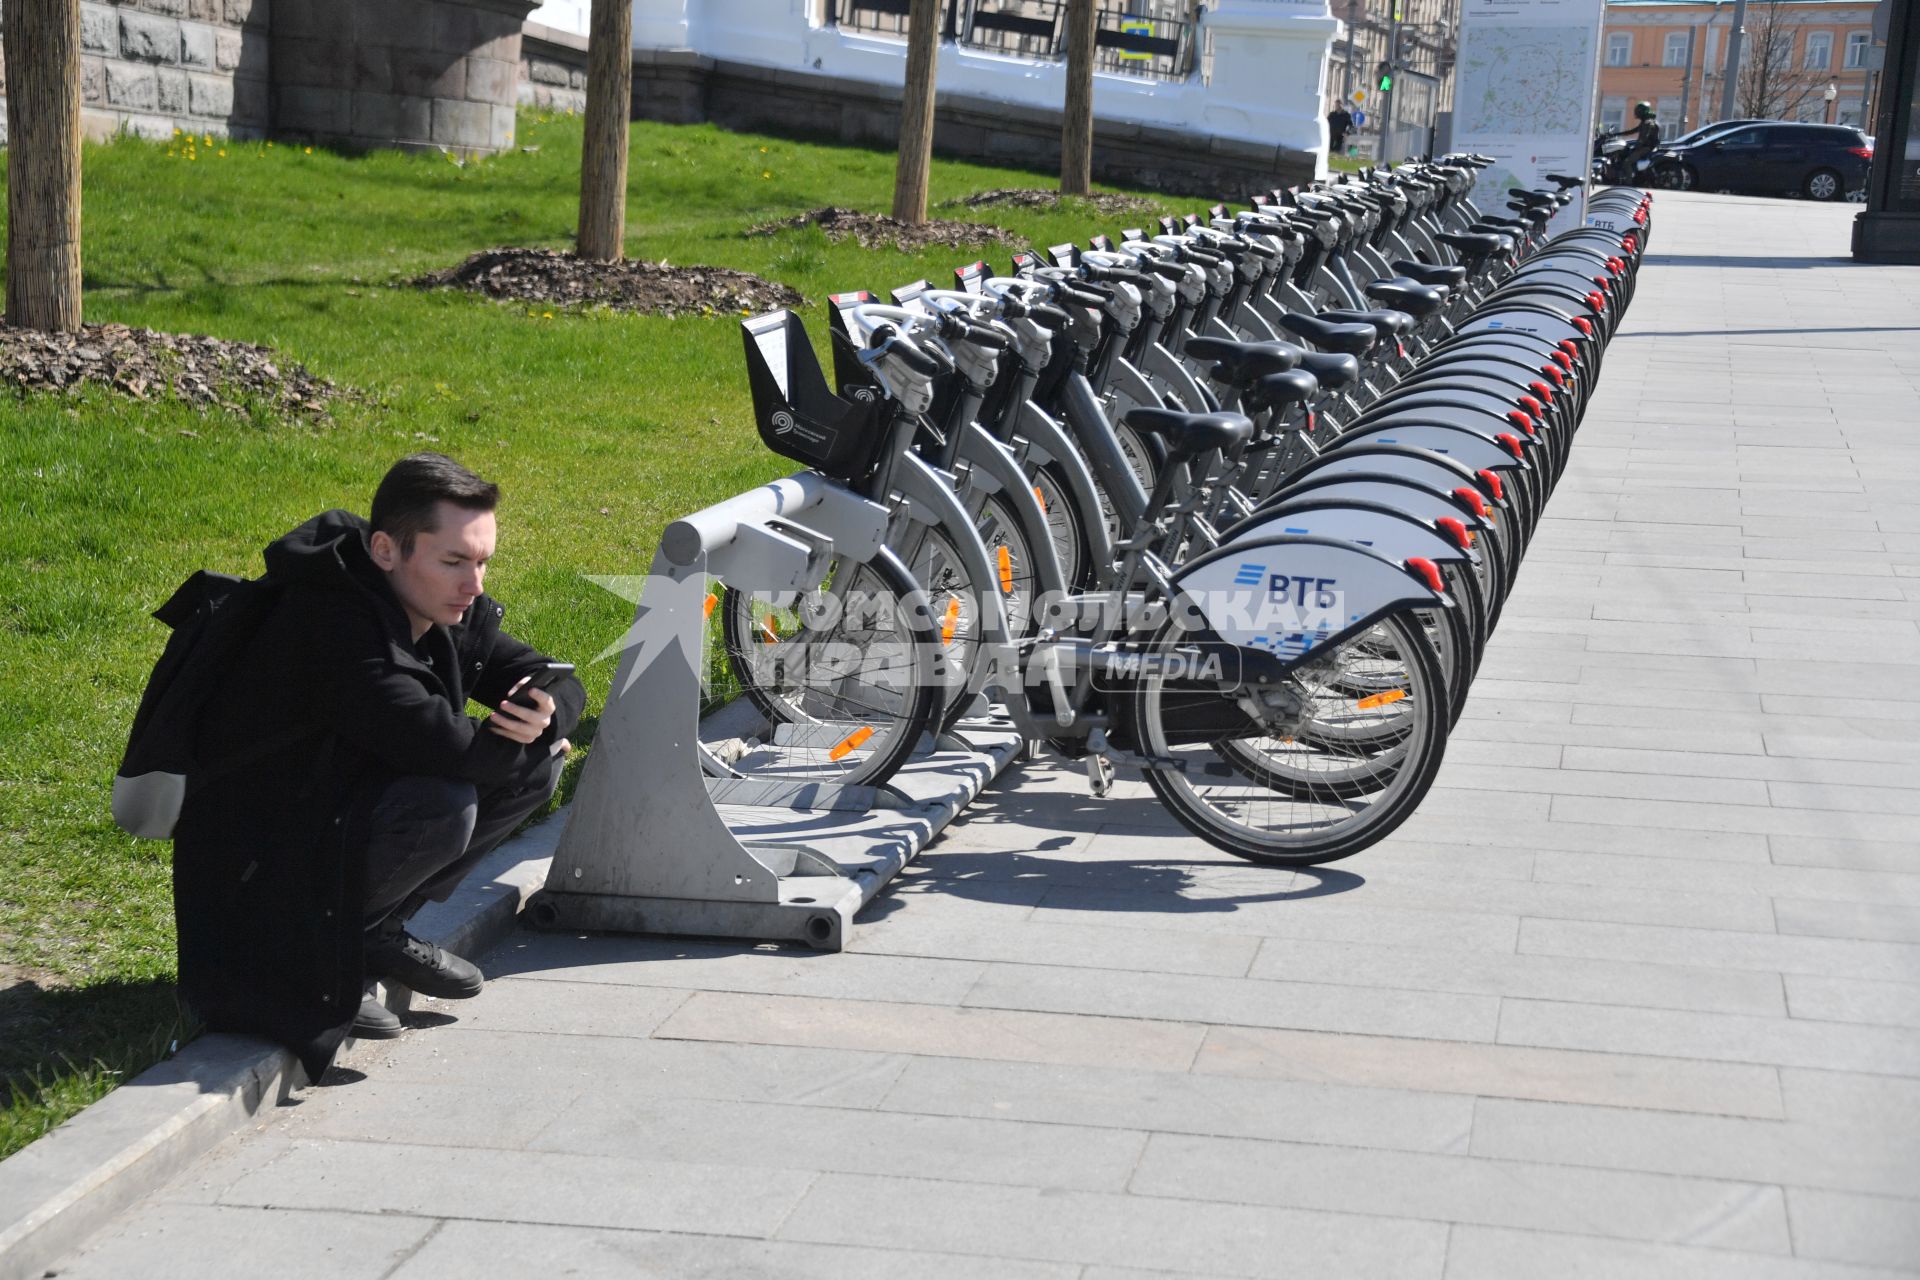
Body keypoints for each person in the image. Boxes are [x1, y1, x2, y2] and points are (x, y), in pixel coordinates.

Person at [171, 452, 585, 1081]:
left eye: (481, 562)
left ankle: (369, 932)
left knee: (532, 769)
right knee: (446, 805)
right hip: (259, 868)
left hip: (329, 819)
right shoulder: (331, 625)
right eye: (454, 562)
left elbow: (551, 675)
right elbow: (452, 752)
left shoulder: (436, 602)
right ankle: (301, 962)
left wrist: (548, 715)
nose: (474, 586)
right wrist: (531, 734)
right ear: (387, 550)